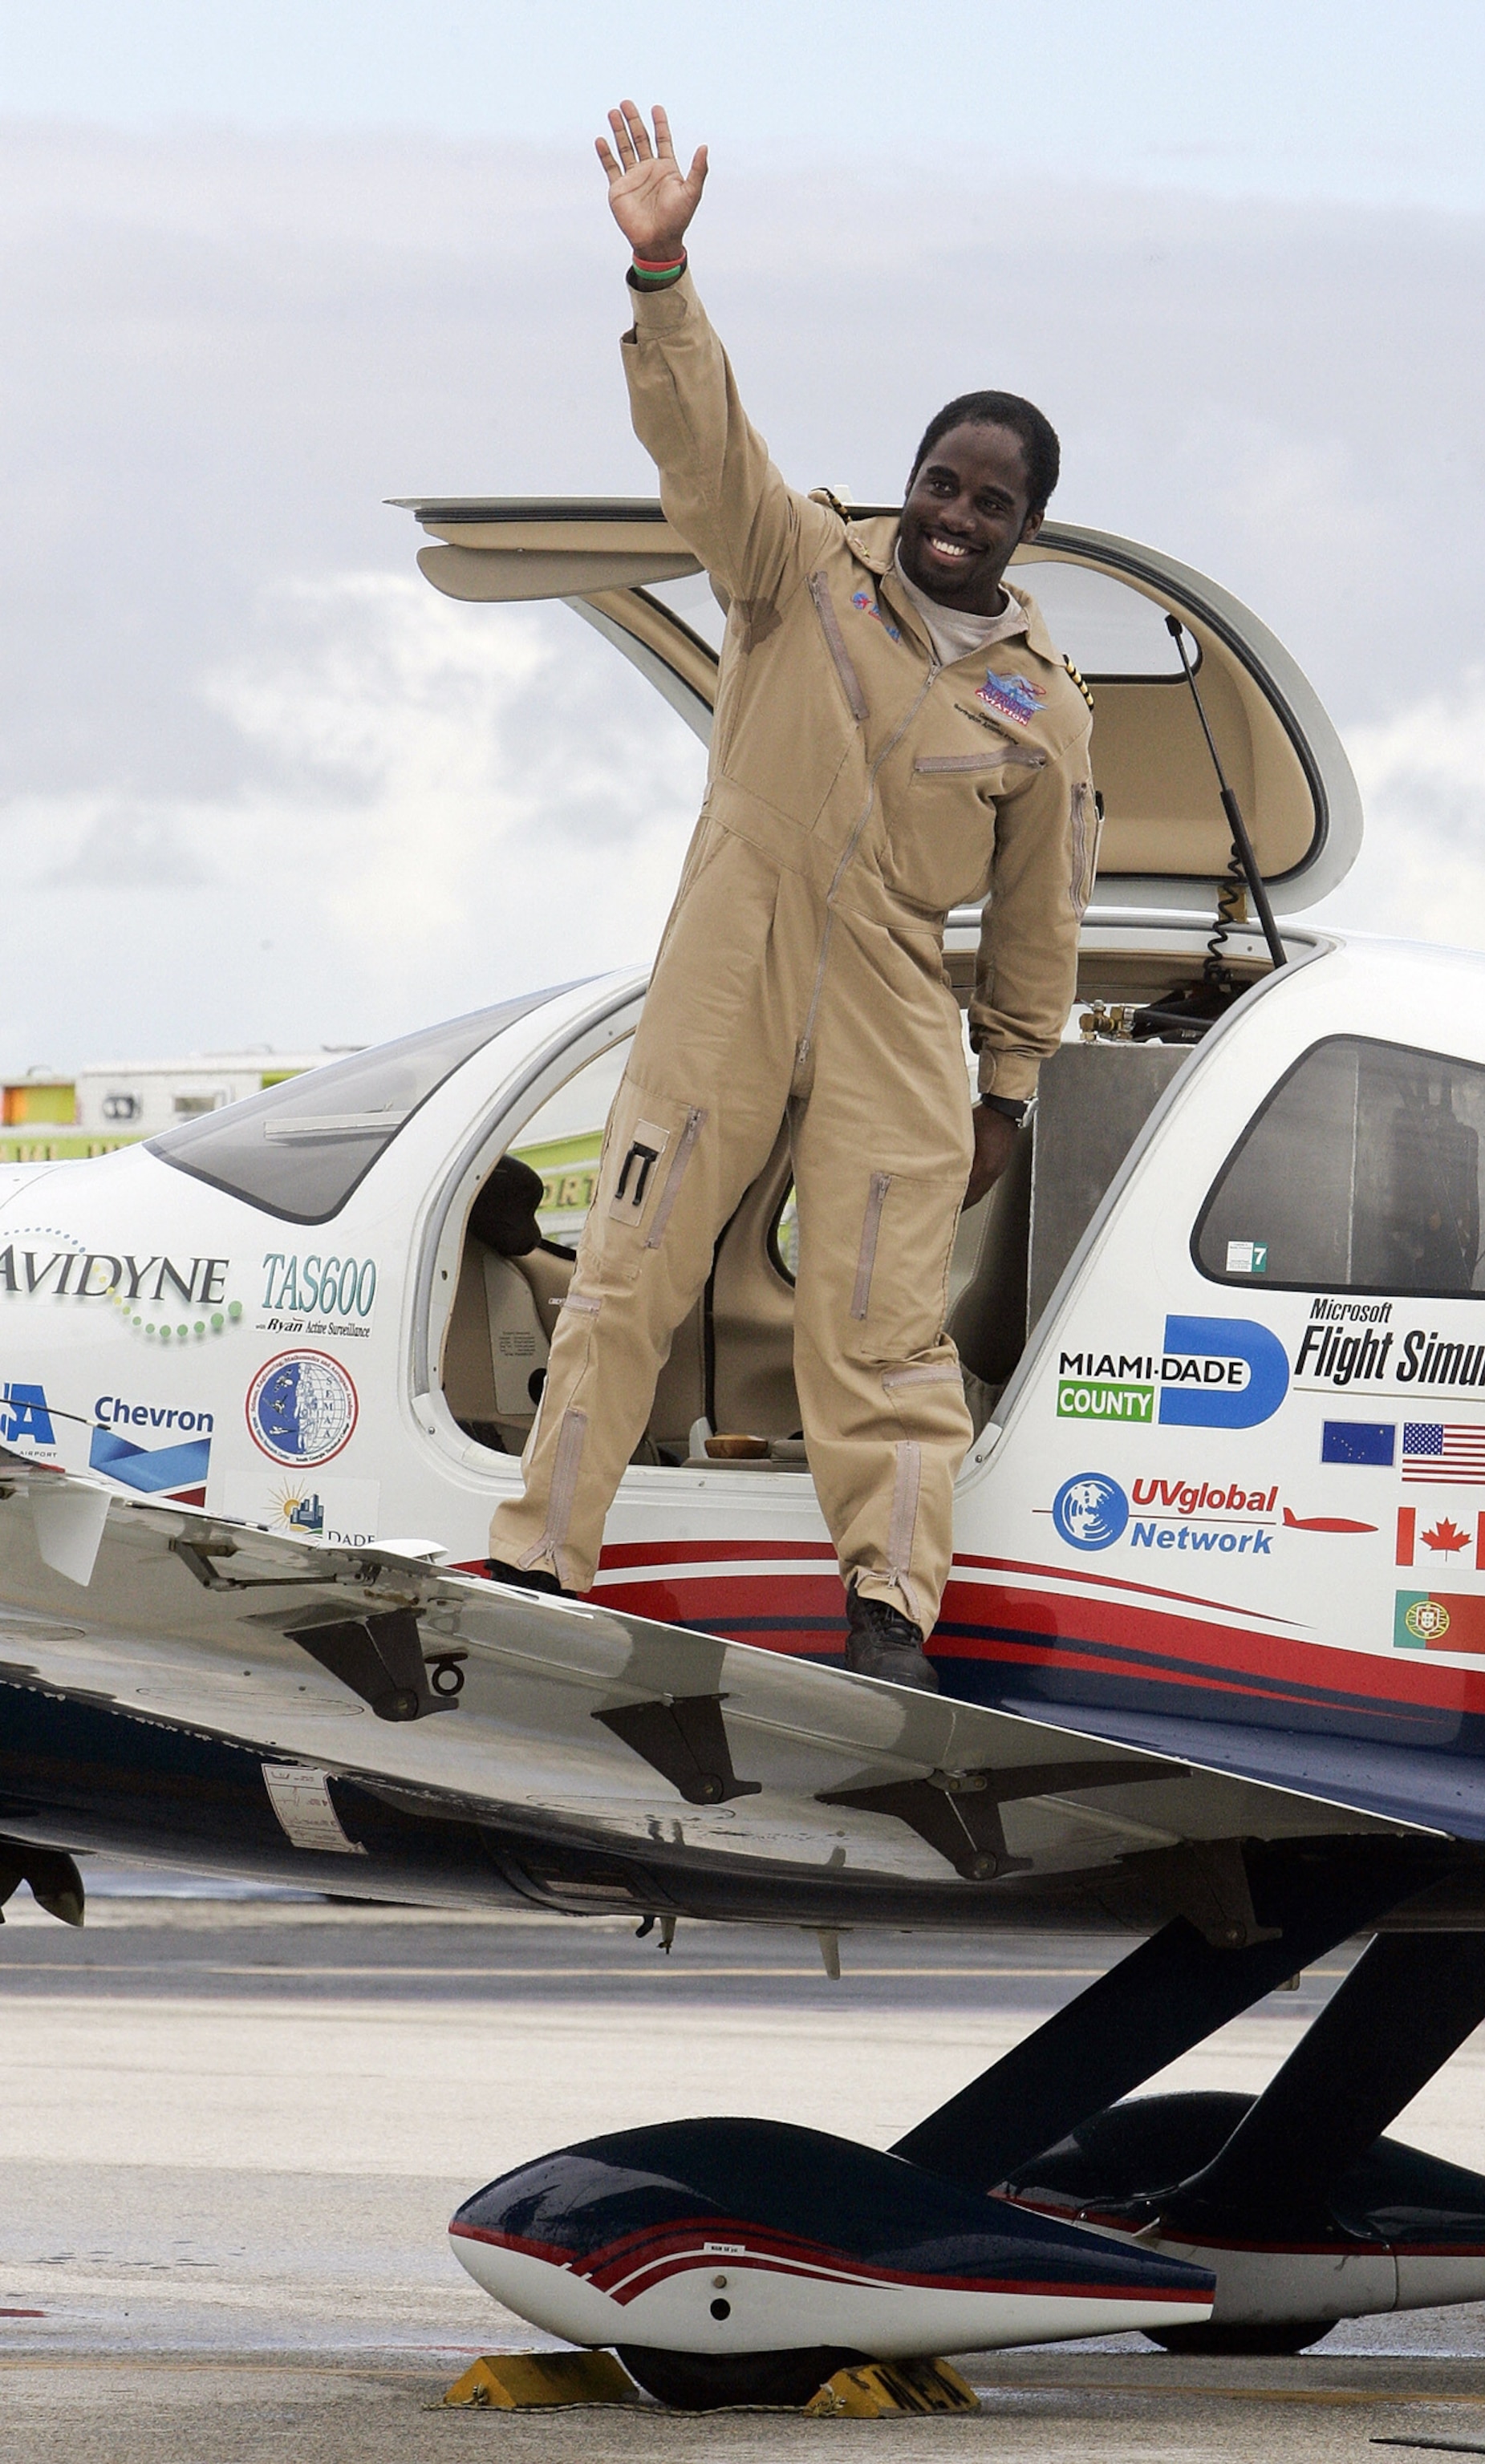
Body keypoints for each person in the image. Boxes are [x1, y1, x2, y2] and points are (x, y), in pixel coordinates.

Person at [488, 102, 1098, 1692]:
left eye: (991, 504)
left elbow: (1039, 921)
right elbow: (702, 444)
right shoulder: (795, 570)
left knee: (883, 1326)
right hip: (726, 973)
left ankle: (889, 1609)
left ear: (1026, 526)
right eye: (942, 484)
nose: (956, 519)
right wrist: (661, 265)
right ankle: (541, 1558)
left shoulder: (1046, 706)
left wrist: (1010, 1091)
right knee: (627, 1266)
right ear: (911, 479)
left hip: (902, 1010)